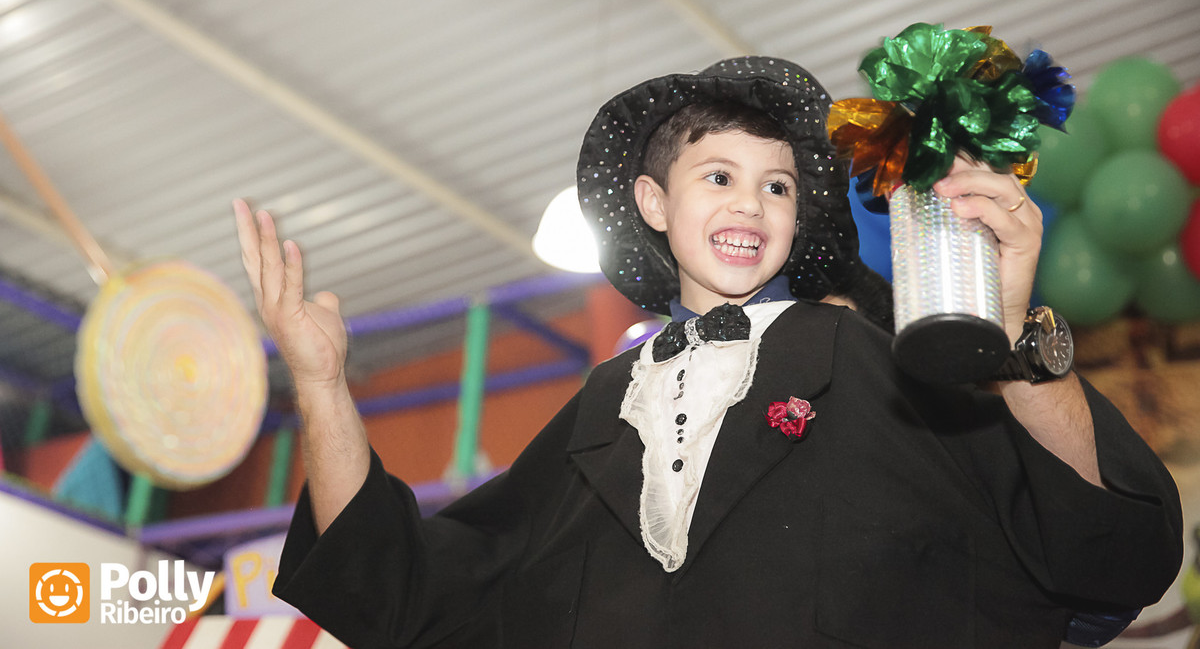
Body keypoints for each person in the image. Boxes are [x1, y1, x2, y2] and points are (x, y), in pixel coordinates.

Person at [233, 56, 1182, 648]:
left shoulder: (865, 357)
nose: (750, 205)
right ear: (655, 204)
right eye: (719, 175)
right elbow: (399, 589)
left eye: (778, 187)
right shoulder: (602, 406)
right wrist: (321, 381)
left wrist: (1009, 333)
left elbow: (1102, 541)